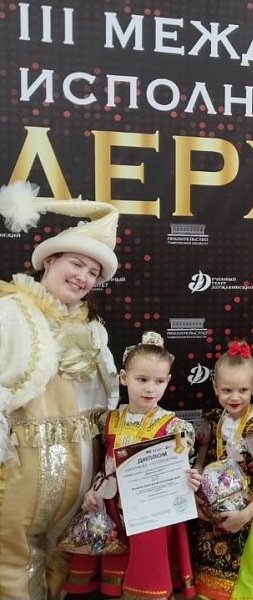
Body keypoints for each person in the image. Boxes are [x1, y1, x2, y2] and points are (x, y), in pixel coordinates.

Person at [0, 181, 121, 599]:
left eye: (93, 273)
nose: (83, 277)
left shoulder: (92, 330)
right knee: (11, 565)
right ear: (49, 260)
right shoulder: (9, 312)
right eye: (76, 264)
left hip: (79, 485)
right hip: (20, 474)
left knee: (63, 565)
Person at [63, 331, 201, 598]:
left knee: (144, 580)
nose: (150, 388)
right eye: (142, 379)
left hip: (150, 517)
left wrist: (190, 481)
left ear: (168, 381)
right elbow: (101, 465)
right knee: (108, 581)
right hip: (111, 511)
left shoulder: (175, 427)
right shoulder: (108, 420)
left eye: (159, 381)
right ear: (124, 377)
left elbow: (179, 474)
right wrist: (93, 491)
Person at [190, 339, 253, 600]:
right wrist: (196, 490)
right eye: (227, 390)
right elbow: (201, 462)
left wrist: (245, 516)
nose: (235, 397)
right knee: (211, 586)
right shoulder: (213, 420)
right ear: (215, 387)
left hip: (243, 520)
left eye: (243, 390)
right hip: (211, 518)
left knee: (240, 588)